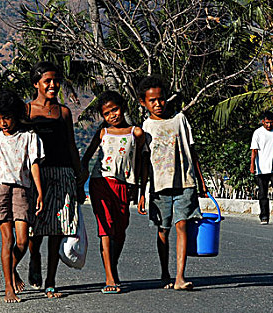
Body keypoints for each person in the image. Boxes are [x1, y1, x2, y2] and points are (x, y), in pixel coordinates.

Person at [0, 90, 44, 303]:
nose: (3, 123)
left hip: (22, 189)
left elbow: (34, 166)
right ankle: (8, 287)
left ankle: (10, 269)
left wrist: (40, 192)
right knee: (8, 239)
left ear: (16, 115)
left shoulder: (29, 137)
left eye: (6, 117)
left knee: (22, 240)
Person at [137, 76, 207, 291]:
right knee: (163, 230)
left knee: (182, 225)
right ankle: (165, 272)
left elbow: (192, 150)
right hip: (159, 186)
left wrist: (200, 180)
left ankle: (180, 276)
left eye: (161, 99)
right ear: (143, 103)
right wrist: (142, 192)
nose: (158, 104)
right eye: (152, 101)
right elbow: (145, 162)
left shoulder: (180, 119)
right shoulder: (146, 127)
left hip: (185, 181)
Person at [25, 61, 84, 298]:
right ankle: (34, 257)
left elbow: (71, 145)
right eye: (47, 81)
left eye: (55, 80)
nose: (52, 85)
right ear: (36, 84)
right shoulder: (27, 111)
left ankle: (51, 280)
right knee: (36, 228)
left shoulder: (64, 112)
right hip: (37, 175)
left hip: (63, 173)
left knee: (58, 229)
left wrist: (79, 179)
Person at [81, 91, 145, 294]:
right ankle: (109, 276)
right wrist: (78, 184)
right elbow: (87, 157)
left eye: (115, 110)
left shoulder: (136, 133)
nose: (112, 115)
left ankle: (112, 266)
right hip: (101, 183)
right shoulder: (103, 132)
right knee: (106, 228)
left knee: (120, 229)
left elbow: (142, 162)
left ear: (123, 107)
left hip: (125, 185)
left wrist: (142, 190)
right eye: (107, 113)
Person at [250, 111, 273, 225]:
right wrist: (252, 165)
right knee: (263, 193)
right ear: (263, 122)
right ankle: (264, 216)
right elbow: (254, 151)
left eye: (271, 123)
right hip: (261, 167)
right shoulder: (257, 133)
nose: (269, 125)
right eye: (266, 123)